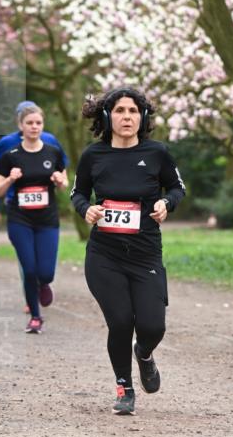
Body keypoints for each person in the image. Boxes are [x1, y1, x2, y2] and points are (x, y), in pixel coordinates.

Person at [71, 86, 185, 415]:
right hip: (104, 255)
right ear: (108, 116)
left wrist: (166, 202)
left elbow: (178, 187)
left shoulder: (157, 153)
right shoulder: (94, 155)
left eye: (133, 111)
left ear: (142, 117)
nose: (127, 117)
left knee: (152, 327)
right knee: (120, 321)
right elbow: (77, 193)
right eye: (120, 111)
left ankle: (144, 355)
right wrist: (86, 210)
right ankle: (124, 387)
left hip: (145, 252)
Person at [0, 104, 68, 333]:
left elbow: (64, 184)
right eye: (29, 123)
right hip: (20, 219)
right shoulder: (10, 156)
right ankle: (35, 317)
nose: (34, 127)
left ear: (42, 126)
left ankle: (44, 284)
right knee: (29, 268)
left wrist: (59, 181)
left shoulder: (52, 152)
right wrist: (9, 180)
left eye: (38, 123)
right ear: (20, 126)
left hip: (47, 219)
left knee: (46, 273)